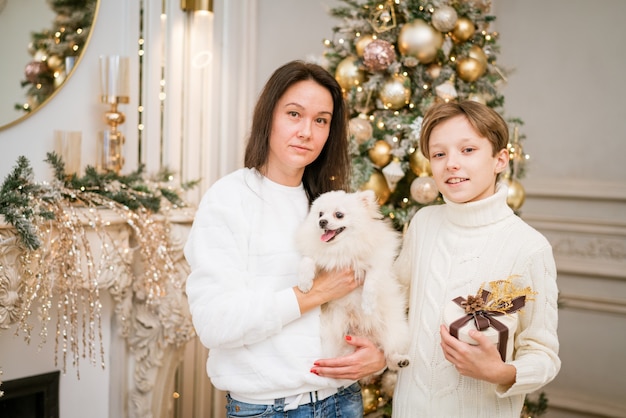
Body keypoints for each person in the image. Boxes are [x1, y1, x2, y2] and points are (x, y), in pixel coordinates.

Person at [184, 60, 386, 418]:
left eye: (321, 120)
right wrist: (316, 292)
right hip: (269, 409)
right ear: (269, 117)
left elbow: (372, 298)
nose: (307, 131)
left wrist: (376, 354)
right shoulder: (229, 198)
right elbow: (215, 324)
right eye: (294, 114)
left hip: (343, 402)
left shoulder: (330, 206)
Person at [392, 100, 560, 417]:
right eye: (439, 154)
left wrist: (500, 372)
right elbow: (395, 303)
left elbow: (542, 354)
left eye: (467, 150)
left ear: (500, 159)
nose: (451, 164)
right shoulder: (423, 224)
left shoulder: (528, 248)